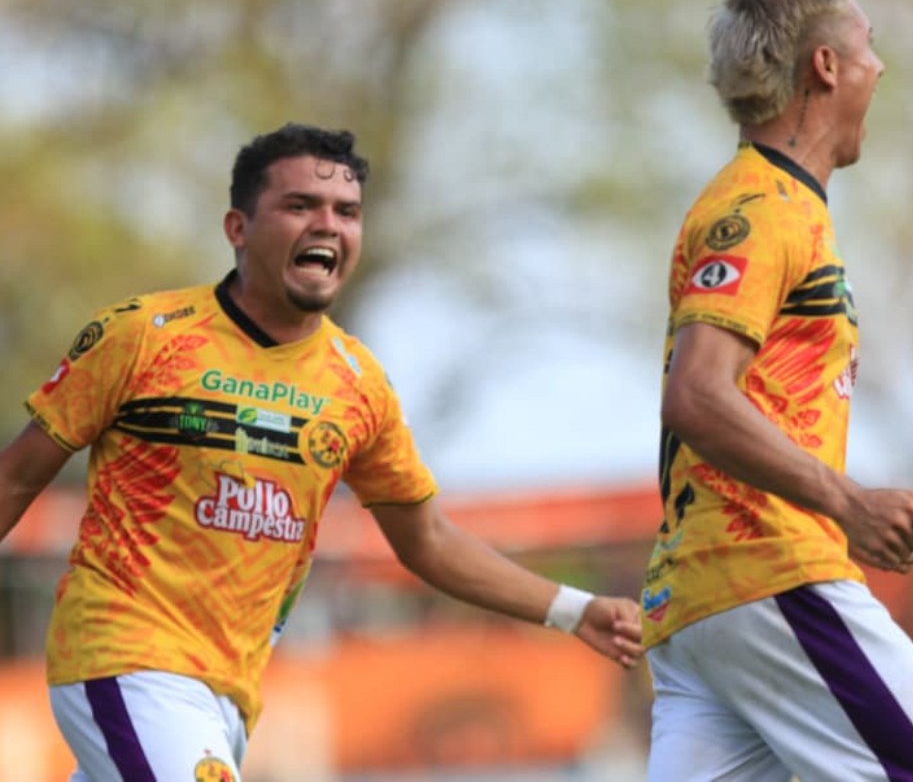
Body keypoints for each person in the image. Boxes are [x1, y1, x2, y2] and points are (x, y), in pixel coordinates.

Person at [0, 122, 643, 781]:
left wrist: (574, 608)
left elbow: (426, 541)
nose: (328, 225)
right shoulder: (144, 337)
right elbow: (17, 479)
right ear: (238, 228)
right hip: (122, 657)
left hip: (227, 695)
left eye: (347, 212)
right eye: (300, 205)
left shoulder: (357, 384)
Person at [640, 0, 913, 781]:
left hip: (699, 608)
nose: (883, 65)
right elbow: (694, 395)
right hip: (768, 574)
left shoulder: (776, 205)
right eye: (871, 43)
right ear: (827, 66)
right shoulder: (760, 209)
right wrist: (848, 502)